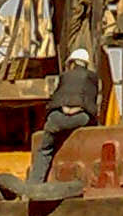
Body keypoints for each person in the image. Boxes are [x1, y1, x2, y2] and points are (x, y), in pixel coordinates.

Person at [27, 45, 100, 187]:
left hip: (58, 118)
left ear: (72, 62)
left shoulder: (64, 76)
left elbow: (55, 98)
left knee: (44, 150)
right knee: (93, 133)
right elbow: (93, 103)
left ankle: (34, 185)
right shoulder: (92, 77)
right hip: (80, 118)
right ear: (86, 63)